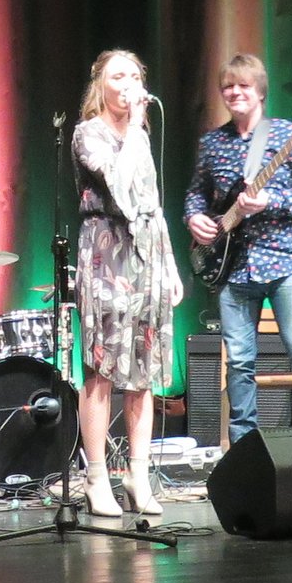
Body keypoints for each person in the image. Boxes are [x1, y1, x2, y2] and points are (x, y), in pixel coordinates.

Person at [184, 53, 292, 444]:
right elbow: (196, 194)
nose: (235, 92)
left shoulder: (289, 135)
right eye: (228, 86)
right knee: (239, 360)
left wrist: (269, 201)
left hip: (284, 261)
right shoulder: (212, 143)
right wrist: (194, 218)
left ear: (260, 91)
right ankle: (244, 444)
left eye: (243, 85)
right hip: (232, 267)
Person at [73, 49, 182, 518]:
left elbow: (152, 203)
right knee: (102, 368)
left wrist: (170, 266)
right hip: (105, 253)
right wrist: (135, 127)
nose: (128, 85)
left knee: (144, 369)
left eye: (135, 77)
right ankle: (97, 477)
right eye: (118, 77)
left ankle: (138, 475)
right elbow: (118, 188)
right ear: (100, 83)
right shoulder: (88, 133)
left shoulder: (141, 136)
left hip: (147, 256)